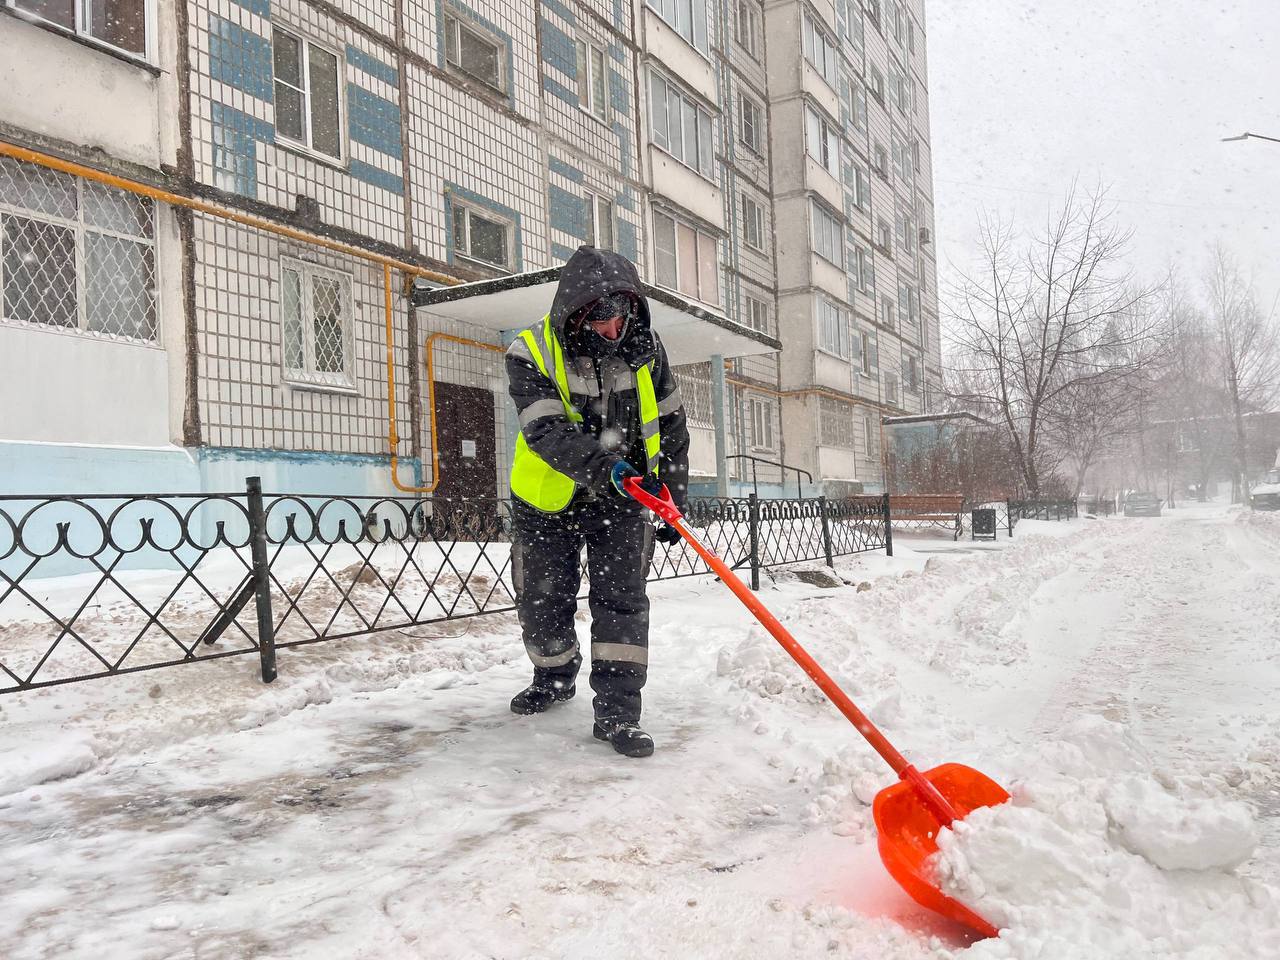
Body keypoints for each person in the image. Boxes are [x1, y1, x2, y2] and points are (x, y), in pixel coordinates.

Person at [505, 245, 690, 758]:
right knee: (543, 601)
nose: (613, 332)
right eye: (601, 322)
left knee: (622, 602)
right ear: (577, 313)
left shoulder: (647, 348)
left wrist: (673, 495)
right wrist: (604, 467)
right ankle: (554, 674)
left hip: (626, 499)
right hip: (549, 498)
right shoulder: (531, 351)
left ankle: (617, 713)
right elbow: (546, 430)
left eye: (621, 319)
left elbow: (672, 426)